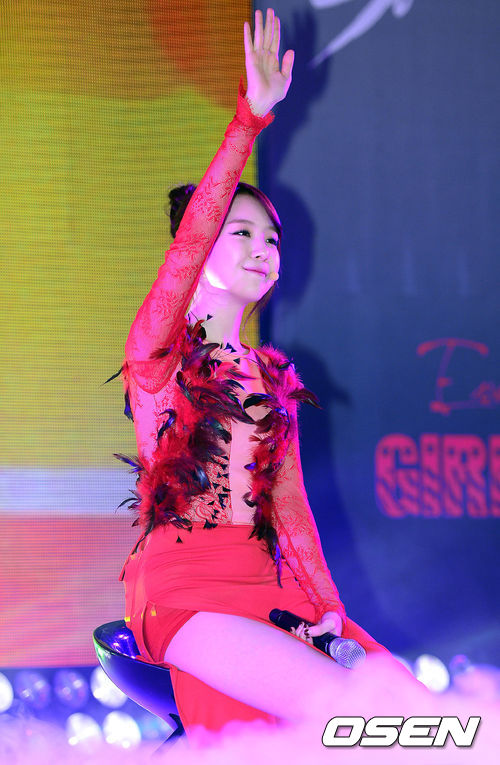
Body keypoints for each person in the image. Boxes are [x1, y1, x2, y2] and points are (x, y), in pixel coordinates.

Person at [117, 7, 424, 740]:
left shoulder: (270, 377)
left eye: (273, 238)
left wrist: (329, 609)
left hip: (271, 590)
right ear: (201, 249)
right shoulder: (157, 358)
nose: (265, 248)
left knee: (427, 720)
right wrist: (247, 124)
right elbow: (188, 245)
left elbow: (291, 510)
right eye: (243, 232)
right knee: (351, 719)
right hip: (187, 597)